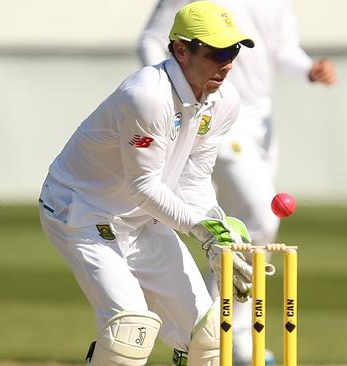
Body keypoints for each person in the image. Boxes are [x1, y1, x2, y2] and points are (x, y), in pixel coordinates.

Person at [38, 2, 260, 365]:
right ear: (181, 50)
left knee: (206, 339)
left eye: (233, 50)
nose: (228, 62)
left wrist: (218, 234)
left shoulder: (224, 100)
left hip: (143, 218)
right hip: (83, 212)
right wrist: (203, 232)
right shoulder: (147, 96)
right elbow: (143, 185)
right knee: (130, 332)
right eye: (216, 51)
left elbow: (195, 178)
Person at [138, 1, 336, 364]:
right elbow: (151, 40)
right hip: (207, 110)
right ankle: (233, 335)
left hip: (259, 122)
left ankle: (212, 332)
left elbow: (281, 47)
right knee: (261, 216)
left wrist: (309, 68)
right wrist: (173, 93)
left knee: (242, 225)